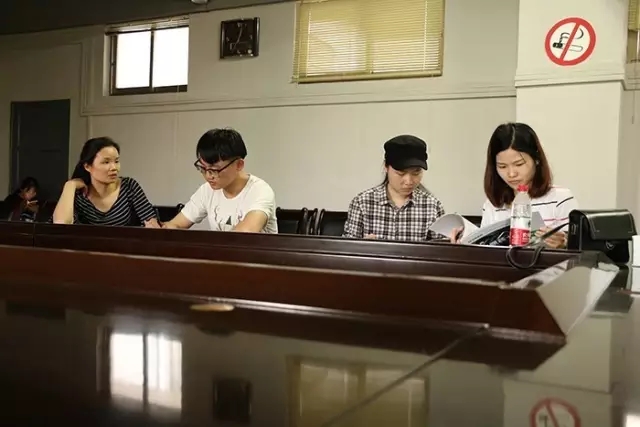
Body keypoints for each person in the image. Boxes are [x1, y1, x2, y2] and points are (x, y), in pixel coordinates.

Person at [451, 122, 577, 249]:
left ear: (536, 159)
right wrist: (463, 246)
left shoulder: (560, 198)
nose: (511, 174)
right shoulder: (493, 205)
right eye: (502, 166)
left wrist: (563, 243)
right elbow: (487, 252)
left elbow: (579, 250)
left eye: (519, 164)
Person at [162, 128, 277, 233]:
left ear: (239, 165)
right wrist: (161, 228)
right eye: (203, 168)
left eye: (214, 170)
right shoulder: (207, 190)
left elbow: (246, 232)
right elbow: (176, 224)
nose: (208, 176)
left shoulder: (260, 191)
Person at [342, 135, 446, 241]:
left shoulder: (432, 206)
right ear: (386, 167)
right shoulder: (362, 203)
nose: (409, 181)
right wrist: (362, 246)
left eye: (416, 172)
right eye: (401, 173)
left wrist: (453, 244)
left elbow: (442, 248)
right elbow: (345, 247)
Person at [52, 137, 160, 227]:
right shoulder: (78, 194)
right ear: (87, 166)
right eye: (106, 162)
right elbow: (61, 225)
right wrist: (70, 185)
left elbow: (151, 223)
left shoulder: (129, 186)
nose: (114, 168)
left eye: (116, 161)